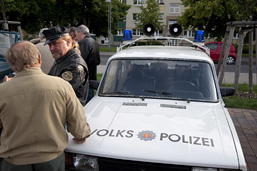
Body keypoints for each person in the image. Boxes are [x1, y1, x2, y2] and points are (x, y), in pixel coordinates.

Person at [0, 41, 91, 171]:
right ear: (39, 58)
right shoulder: (62, 85)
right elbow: (78, 122)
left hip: (14, 162)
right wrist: (81, 135)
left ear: (11, 63)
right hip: (51, 160)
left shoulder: (2, 91)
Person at [43, 25, 89, 106]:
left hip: (69, 115)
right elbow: (49, 80)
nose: (51, 48)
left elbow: (57, 94)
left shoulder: (74, 66)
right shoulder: (62, 58)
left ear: (68, 42)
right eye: (49, 45)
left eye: (55, 44)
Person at [75, 25, 101, 103]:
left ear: (80, 32)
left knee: (85, 102)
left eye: (76, 34)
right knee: (91, 101)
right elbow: (98, 61)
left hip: (84, 78)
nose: (76, 37)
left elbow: (79, 60)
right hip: (92, 76)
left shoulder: (83, 42)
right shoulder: (94, 42)